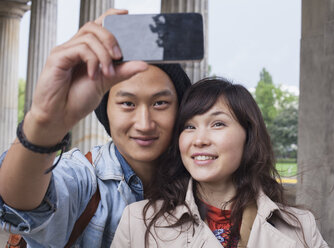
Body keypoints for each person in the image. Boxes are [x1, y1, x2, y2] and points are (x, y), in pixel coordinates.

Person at [0, 9, 191, 247]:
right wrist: (44, 122)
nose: (144, 124)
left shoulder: (204, 178)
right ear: (106, 112)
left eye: (160, 103)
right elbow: (18, 202)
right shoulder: (84, 178)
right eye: (127, 103)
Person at [111, 77, 329, 248]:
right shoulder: (138, 222)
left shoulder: (300, 226)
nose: (199, 140)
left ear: (249, 135)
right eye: (189, 127)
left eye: (217, 124)